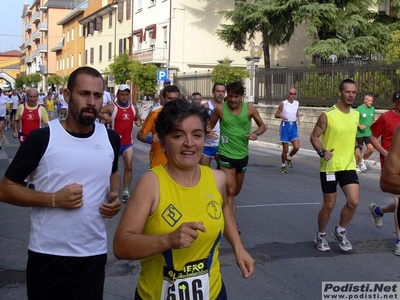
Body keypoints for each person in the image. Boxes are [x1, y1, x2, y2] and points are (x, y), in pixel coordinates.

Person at [114, 99, 255, 299]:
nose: (189, 143)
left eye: (197, 135)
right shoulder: (151, 184)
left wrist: (239, 248)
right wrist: (168, 239)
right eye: (178, 135)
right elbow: (121, 246)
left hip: (213, 293)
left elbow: (224, 209)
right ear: (162, 143)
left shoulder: (217, 179)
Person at [0, 66, 121, 299]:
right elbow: (6, 189)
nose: (91, 102)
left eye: (97, 96)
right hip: (48, 255)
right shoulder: (42, 138)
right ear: (67, 96)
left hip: (93, 254)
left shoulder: (110, 138)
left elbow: (113, 171)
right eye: (84, 94)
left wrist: (113, 195)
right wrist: (54, 199)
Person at [310, 78, 361, 252]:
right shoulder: (327, 115)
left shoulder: (356, 114)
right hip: (330, 167)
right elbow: (314, 137)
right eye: (348, 92)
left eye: (354, 92)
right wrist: (322, 152)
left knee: (353, 201)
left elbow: (352, 135)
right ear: (340, 92)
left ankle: (340, 230)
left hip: (348, 165)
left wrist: (357, 148)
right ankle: (321, 234)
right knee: (329, 206)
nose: (351, 95)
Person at [208, 81, 266, 222]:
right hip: (225, 153)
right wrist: (207, 132)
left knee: (236, 190)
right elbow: (208, 126)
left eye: (236, 96)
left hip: (242, 155)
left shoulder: (250, 109)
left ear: (242, 96)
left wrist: (255, 134)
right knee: (231, 191)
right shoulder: (221, 109)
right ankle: (232, 225)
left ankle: (222, 206)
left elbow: (263, 126)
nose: (233, 100)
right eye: (231, 96)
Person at [368, 89, 400, 255]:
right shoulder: (386, 117)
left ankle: (379, 211)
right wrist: (384, 152)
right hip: (391, 166)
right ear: (394, 103)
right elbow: (372, 136)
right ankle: (399, 241)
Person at [99, 84, 141, 203]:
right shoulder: (112, 107)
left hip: (128, 143)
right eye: (122, 94)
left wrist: (138, 122)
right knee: (112, 168)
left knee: (129, 167)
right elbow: (96, 111)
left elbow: (137, 118)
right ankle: (109, 190)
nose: (124, 97)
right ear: (117, 95)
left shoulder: (133, 107)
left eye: (126, 94)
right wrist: (105, 118)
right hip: (114, 143)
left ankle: (126, 191)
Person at [137, 85, 180, 168]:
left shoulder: (184, 115)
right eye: (170, 99)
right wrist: (150, 139)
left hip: (178, 163)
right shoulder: (155, 114)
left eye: (175, 99)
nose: (172, 102)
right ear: (163, 98)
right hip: (159, 164)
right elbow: (140, 135)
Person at [274, 88, 300, 173]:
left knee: (296, 147)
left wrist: (298, 119)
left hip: (293, 126)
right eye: (291, 94)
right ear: (288, 94)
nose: (293, 95)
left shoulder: (297, 103)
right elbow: (276, 114)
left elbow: (296, 113)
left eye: (294, 94)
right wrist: (281, 116)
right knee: (285, 149)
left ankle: (289, 157)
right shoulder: (283, 103)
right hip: (285, 126)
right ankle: (282, 165)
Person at [199, 83, 226, 167]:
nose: (220, 94)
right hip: (207, 144)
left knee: (223, 171)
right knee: (204, 172)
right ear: (213, 92)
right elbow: (197, 123)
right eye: (218, 91)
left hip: (221, 144)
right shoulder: (206, 106)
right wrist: (205, 131)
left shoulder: (227, 107)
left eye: (222, 91)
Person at [355, 94, 375, 173]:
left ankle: (363, 161)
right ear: (365, 100)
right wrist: (359, 125)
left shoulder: (373, 109)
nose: (371, 102)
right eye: (369, 100)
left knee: (371, 149)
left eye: (372, 101)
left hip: (368, 133)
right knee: (359, 150)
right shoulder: (359, 109)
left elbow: (372, 120)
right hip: (359, 133)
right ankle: (356, 166)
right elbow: (354, 120)